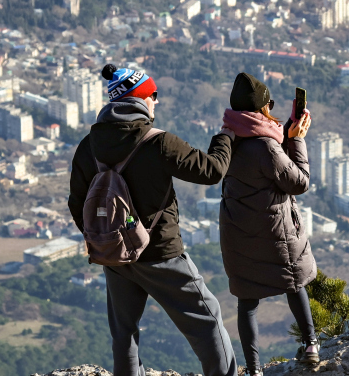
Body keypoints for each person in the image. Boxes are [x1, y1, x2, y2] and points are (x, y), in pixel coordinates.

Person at [68, 64, 239, 376]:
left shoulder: (87, 146)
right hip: (161, 254)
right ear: (140, 99)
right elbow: (212, 171)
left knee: (124, 333)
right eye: (153, 95)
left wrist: (109, 238)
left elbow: (77, 204)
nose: (156, 101)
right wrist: (226, 136)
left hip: (114, 256)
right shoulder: (159, 142)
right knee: (207, 320)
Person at [219, 73, 318, 376]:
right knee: (293, 282)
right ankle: (311, 344)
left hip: (238, 233)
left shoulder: (227, 138)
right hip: (275, 232)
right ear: (261, 109)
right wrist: (297, 140)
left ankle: (254, 369)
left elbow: (269, 167)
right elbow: (298, 182)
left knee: (247, 302)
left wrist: (287, 135)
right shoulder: (266, 146)